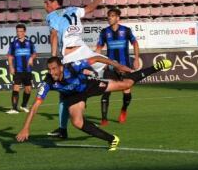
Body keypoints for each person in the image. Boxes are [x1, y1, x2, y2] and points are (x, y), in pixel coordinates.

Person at [15, 56, 172, 150]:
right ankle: (112, 139)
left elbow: (96, 59)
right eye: (49, 70)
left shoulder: (73, 66)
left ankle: (156, 67)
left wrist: (116, 66)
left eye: (54, 69)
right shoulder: (48, 82)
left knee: (127, 85)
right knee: (76, 122)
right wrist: (25, 128)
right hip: (74, 97)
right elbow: (35, 106)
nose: (52, 72)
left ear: (61, 67)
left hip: (90, 85)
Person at [43, 0, 103, 139]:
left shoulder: (52, 16)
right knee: (69, 91)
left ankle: (66, 127)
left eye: (46, 3)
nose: (45, 6)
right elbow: (90, 9)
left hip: (69, 56)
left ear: (54, 2)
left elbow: (54, 35)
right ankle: (63, 129)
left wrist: (53, 59)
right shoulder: (73, 9)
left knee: (67, 93)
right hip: (82, 50)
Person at [95, 7, 140, 126]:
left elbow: (135, 43)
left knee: (127, 91)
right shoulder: (104, 32)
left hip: (124, 66)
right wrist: (96, 61)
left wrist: (136, 58)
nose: (110, 18)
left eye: (113, 16)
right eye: (109, 16)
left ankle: (124, 110)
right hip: (110, 67)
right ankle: (104, 119)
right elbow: (99, 47)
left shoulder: (126, 30)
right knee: (105, 90)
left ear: (118, 18)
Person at [6, 24, 37, 114]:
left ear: (24, 32)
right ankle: (14, 108)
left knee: (28, 89)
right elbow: (10, 56)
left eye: (20, 31)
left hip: (27, 70)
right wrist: (11, 67)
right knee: (16, 88)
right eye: (17, 31)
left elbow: (34, 53)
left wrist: (31, 58)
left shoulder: (30, 43)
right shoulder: (13, 44)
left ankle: (23, 105)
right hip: (17, 70)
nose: (19, 33)